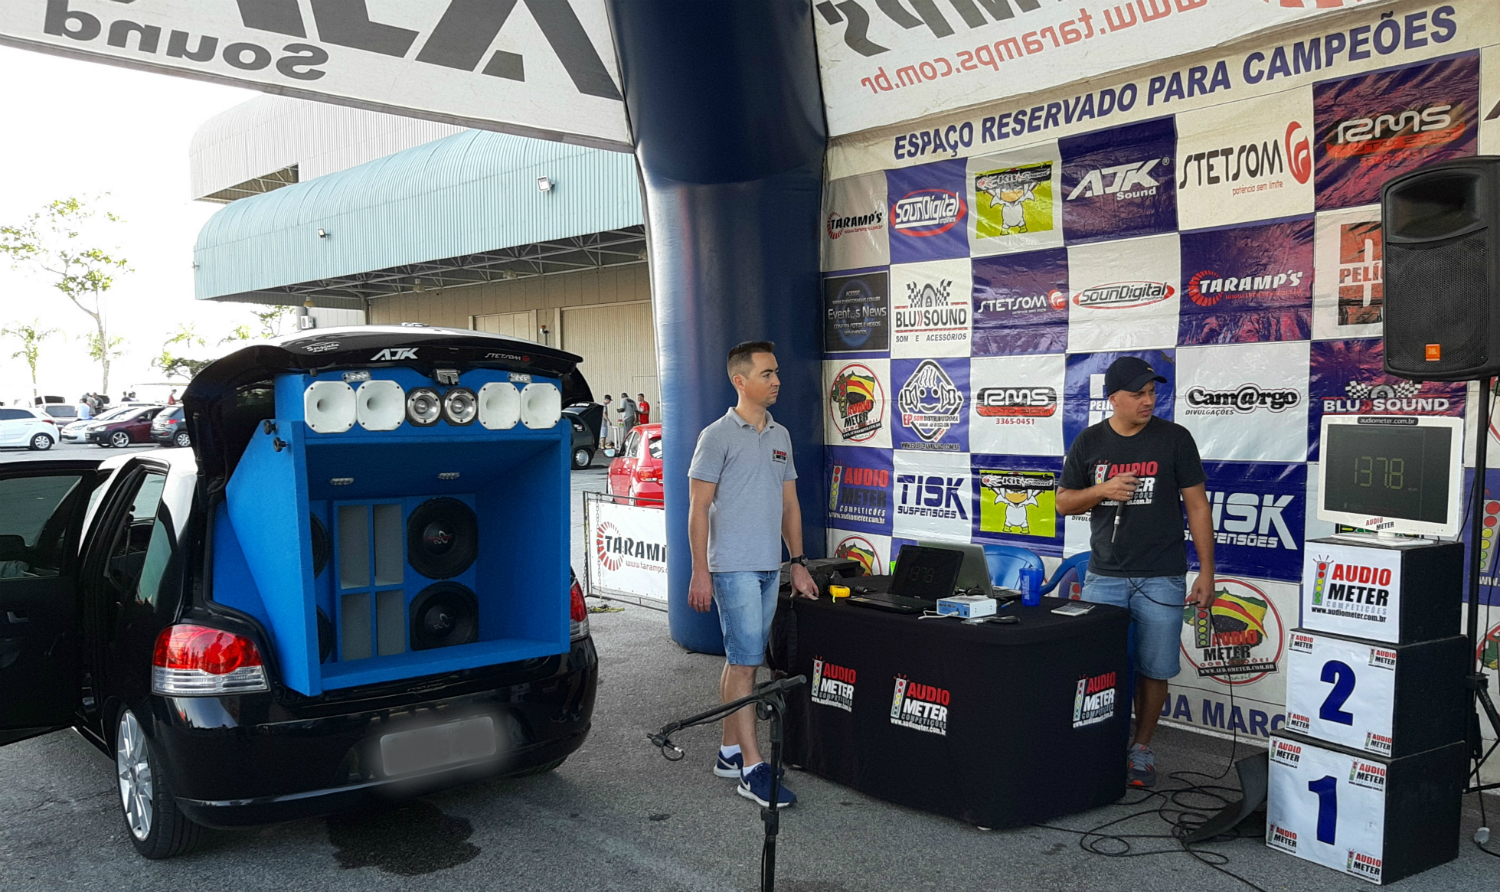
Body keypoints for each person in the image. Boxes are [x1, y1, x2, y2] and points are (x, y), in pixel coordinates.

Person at [1056, 356, 1216, 788]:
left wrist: (1207, 572)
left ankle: (1141, 747)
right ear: (1113, 399)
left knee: (1155, 668)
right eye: (1138, 394)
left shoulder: (1174, 439)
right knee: (1093, 663)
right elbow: (1063, 502)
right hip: (1104, 574)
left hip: (1161, 575)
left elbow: (1198, 507)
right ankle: (1095, 740)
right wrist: (1102, 490)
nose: (1149, 400)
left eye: (1152, 392)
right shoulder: (1089, 442)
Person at [688, 341, 818, 808]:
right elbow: (698, 508)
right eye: (767, 373)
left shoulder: (780, 435)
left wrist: (798, 563)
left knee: (741, 660)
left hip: (769, 567)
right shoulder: (716, 436)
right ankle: (752, 767)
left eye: (776, 372)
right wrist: (700, 571)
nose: (777, 380)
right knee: (746, 664)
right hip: (733, 567)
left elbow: (789, 505)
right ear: (740, 381)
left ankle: (727, 753)